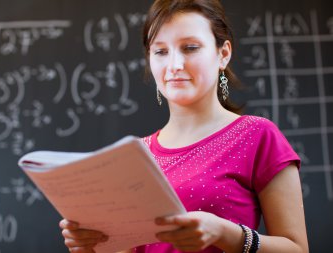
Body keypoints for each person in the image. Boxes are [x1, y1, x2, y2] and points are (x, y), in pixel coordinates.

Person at [59, 0, 309, 252]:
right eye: (161, 51)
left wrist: (226, 233)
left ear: (223, 54)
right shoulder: (135, 155)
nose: (174, 65)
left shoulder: (257, 135)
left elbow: (297, 249)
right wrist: (92, 246)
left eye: (190, 47)